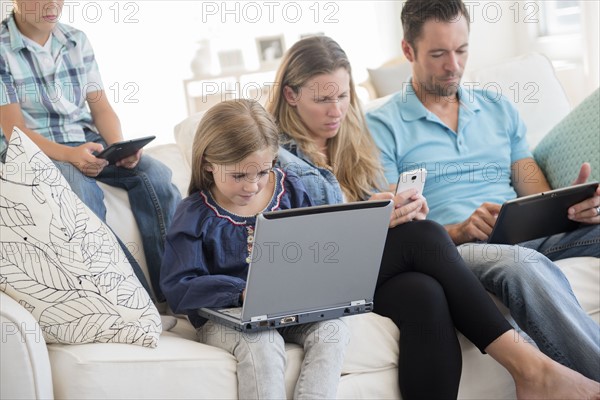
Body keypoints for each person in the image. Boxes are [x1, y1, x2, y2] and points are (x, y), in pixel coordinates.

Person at [266, 35, 600, 399]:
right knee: (425, 237)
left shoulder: (352, 143)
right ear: (291, 95)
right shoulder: (276, 158)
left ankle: (535, 373)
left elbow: (377, 224)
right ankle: (531, 370)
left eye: (343, 96)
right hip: (315, 272)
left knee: (424, 293)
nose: (336, 110)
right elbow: (290, 240)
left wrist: (400, 213)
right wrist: (376, 224)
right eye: (322, 99)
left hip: (366, 270)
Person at [366, 0, 600, 381]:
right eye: (439, 54)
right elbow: (397, 228)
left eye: (461, 51)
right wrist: (459, 230)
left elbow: (533, 190)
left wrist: (570, 207)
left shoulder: (498, 108)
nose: (453, 66)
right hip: (457, 252)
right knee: (523, 266)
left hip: (523, 235)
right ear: (408, 50)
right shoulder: (380, 125)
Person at [159, 99, 350, 400]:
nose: (252, 186)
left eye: (262, 172)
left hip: (287, 308)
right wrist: (241, 292)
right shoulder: (194, 213)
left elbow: (316, 248)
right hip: (224, 316)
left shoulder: (291, 190)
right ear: (208, 164)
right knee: (262, 342)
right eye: (238, 176)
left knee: (333, 330)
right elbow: (178, 287)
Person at [0, 0, 181, 302]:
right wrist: (70, 155)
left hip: (84, 141)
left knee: (156, 174)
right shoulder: (3, 48)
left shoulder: (76, 40)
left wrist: (119, 147)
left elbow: (102, 109)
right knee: (82, 191)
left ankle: (173, 293)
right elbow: (16, 132)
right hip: (31, 151)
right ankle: (135, 299)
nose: (53, 4)